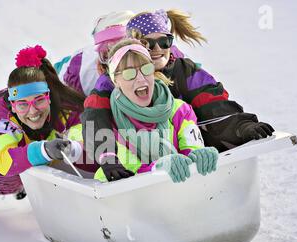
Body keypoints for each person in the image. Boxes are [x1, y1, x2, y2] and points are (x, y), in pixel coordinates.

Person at [82, 9, 274, 181]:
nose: (157, 49)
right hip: (138, 160)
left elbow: (212, 103)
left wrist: (242, 126)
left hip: (190, 152)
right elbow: (96, 117)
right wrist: (107, 157)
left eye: (164, 41)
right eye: (149, 43)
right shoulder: (113, 80)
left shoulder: (183, 70)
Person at [0, 45, 85, 207]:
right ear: (12, 105)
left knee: (52, 157)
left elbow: (79, 124)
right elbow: (4, 162)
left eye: (39, 100)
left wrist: (74, 145)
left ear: (48, 97)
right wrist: (44, 150)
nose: (33, 110)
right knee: (9, 178)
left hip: (28, 137)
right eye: (22, 104)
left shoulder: (60, 103)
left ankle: (29, 171)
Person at [94, 39, 218, 183]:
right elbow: (117, 173)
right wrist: (156, 168)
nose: (141, 79)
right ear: (116, 81)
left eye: (146, 69)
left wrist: (198, 156)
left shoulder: (180, 110)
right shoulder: (109, 123)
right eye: (129, 74)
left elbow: (191, 149)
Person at [54, 10, 185, 96]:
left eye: (124, 52)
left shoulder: (162, 54)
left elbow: (192, 73)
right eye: (107, 54)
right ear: (99, 57)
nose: (117, 62)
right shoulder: (81, 70)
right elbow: (57, 86)